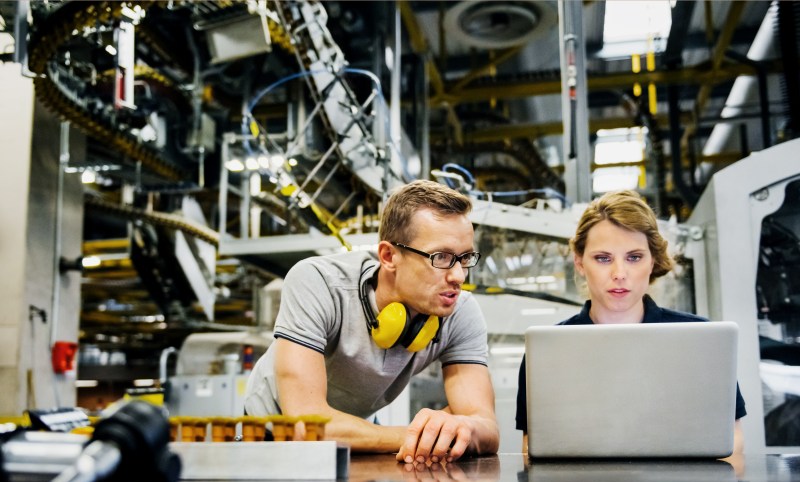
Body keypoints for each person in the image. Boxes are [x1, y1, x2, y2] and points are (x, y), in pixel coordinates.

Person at [245, 179, 500, 463]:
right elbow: (306, 425)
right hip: (270, 437)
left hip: (358, 438)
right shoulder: (318, 282)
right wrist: (416, 436)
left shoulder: (460, 312)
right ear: (389, 256)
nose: (458, 276)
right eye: (440, 257)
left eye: (464, 258)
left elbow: (486, 426)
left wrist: (463, 427)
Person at [515, 190, 746, 455]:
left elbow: (732, 441)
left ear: (652, 261)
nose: (619, 274)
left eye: (634, 257)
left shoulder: (704, 343)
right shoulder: (547, 352)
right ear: (579, 262)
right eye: (603, 258)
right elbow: (532, 447)